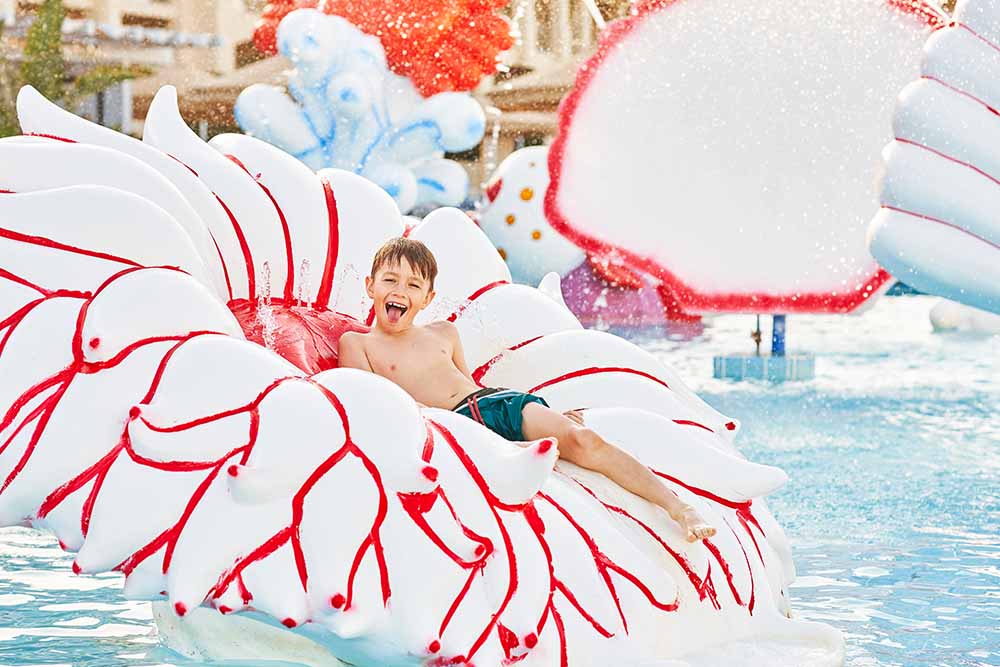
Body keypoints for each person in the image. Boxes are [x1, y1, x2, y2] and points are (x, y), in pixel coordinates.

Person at [338, 238, 716, 542]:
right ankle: (519, 448)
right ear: (371, 286)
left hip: (489, 403)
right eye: (390, 280)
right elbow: (372, 403)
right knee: (521, 458)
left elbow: (472, 387)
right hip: (445, 425)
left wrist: (547, 416)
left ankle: (678, 507)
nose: (400, 290)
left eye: (413, 284)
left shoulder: (444, 333)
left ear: (427, 299)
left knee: (583, 440)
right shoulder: (358, 344)